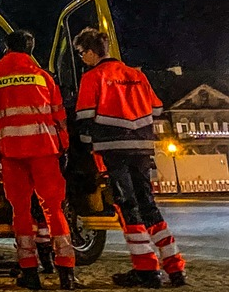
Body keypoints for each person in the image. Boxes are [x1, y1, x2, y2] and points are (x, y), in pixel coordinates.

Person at [74, 28, 187, 288]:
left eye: (82, 54)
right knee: (149, 205)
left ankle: (146, 270)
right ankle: (175, 268)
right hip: (143, 148)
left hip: (114, 150)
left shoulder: (93, 77)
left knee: (128, 208)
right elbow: (157, 108)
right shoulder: (137, 75)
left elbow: (83, 117)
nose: (82, 59)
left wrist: (87, 145)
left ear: (92, 53)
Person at [0, 30, 77, 290]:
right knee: (54, 210)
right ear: (31, 49)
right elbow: (59, 117)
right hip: (45, 151)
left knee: (21, 212)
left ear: (6, 48)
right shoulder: (43, 77)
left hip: (11, 155)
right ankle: (66, 272)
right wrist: (63, 147)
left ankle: (30, 272)